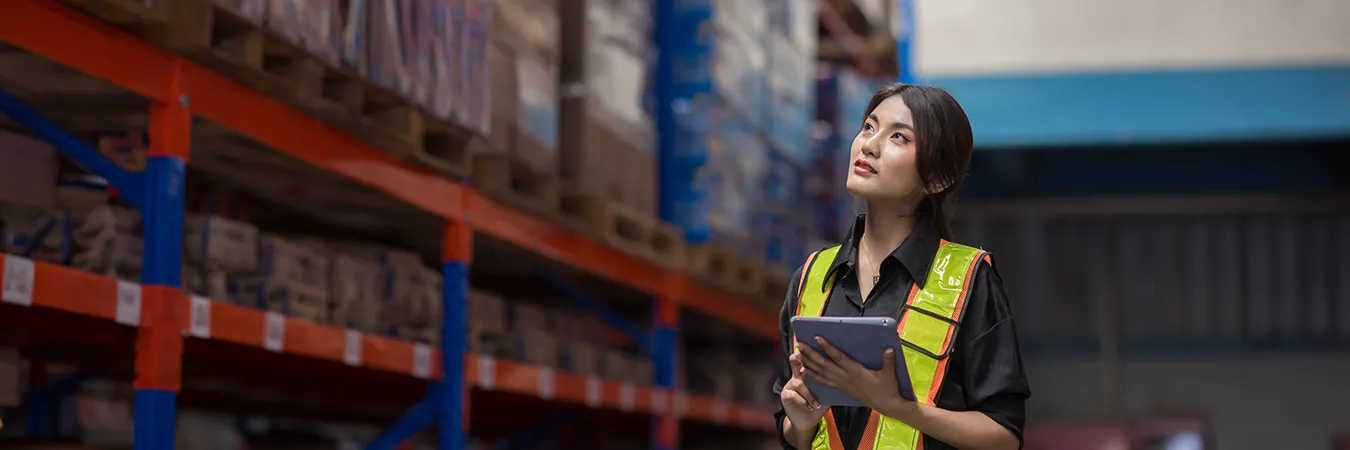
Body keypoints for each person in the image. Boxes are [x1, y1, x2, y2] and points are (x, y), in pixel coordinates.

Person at [771, 83, 1030, 450]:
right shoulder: (811, 277)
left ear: (937, 178)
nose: (869, 145)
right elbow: (790, 426)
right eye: (869, 127)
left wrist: (897, 407)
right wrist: (800, 425)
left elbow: (1004, 436)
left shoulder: (968, 279)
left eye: (898, 137)